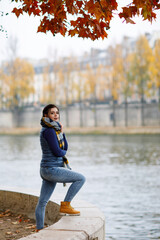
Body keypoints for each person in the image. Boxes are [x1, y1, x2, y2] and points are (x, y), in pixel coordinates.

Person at [35, 104, 86, 231]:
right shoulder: (49, 131)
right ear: (46, 115)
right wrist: (63, 152)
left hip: (46, 169)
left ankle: (39, 230)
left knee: (42, 202)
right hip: (51, 169)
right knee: (81, 178)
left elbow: (65, 147)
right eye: (52, 113)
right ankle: (66, 205)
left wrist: (62, 133)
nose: (56, 115)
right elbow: (60, 152)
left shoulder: (53, 130)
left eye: (57, 112)